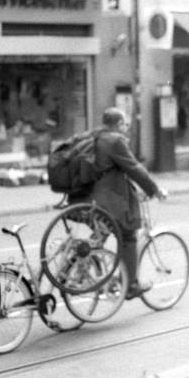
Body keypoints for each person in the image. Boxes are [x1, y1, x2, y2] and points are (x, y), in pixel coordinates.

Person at [69, 107, 167, 300]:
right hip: (105, 202)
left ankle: (76, 268)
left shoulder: (94, 136)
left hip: (87, 199)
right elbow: (134, 168)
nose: (125, 128)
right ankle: (129, 285)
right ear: (118, 124)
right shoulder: (115, 141)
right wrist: (155, 190)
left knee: (100, 234)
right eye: (124, 124)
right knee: (128, 235)